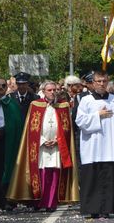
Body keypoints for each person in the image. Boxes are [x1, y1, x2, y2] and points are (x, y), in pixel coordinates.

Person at [75, 71, 114, 219]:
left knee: (107, 178)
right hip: (91, 146)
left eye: (104, 81)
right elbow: (80, 121)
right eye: (98, 81)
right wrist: (97, 115)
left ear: (108, 82)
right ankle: (92, 209)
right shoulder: (86, 100)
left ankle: (105, 209)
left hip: (108, 147)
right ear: (93, 82)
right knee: (92, 177)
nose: (101, 84)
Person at [7, 81, 79, 211]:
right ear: (44, 91)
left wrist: (58, 140)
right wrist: (42, 140)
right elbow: (31, 128)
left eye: (54, 90)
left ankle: (51, 203)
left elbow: (67, 129)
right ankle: (38, 201)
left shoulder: (63, 106)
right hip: (40, 146)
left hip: (57, 145)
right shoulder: (35, 105)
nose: (53, 92)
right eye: (50, 90)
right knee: (42, 173)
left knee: (55, 173)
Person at [0, 78, 23, 211]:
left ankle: (9, 199)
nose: (1, 88)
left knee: (8, 168)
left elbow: (16, 123)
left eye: (3, 85)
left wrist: (4, 131)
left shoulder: (12, 104)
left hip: (8, 141)